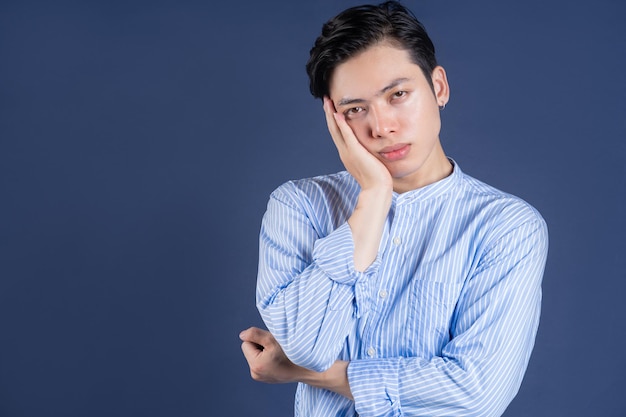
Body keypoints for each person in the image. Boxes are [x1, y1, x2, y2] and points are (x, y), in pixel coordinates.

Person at [240, 1, 549, 416]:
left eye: (398, 95)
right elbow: (307, 345)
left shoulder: (507, 227)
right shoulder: (299, 206)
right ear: (334, 119)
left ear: (438, 87)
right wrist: (373, 196)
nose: (381, 126)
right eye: (355, 110)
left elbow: (476, 393)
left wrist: (318, 375)